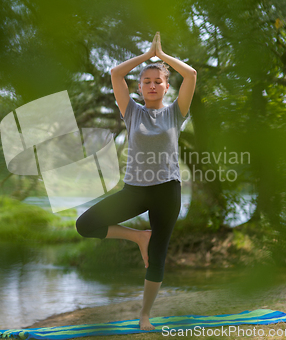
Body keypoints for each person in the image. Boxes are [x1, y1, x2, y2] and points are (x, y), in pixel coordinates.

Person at [76, 32, 196, 331]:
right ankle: (139, 237)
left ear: (167, 87)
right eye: (147, 81)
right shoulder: (131, 112)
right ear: (140, 87)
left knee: (157, 258)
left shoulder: (175, 114)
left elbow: (191, 74)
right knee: (85, 224)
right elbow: (116, 73)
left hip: (167, 191)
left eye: (158, 81)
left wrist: (163, 56)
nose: (153, 85)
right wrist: (147, 56)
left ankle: (144, 316)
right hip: (135, 190)